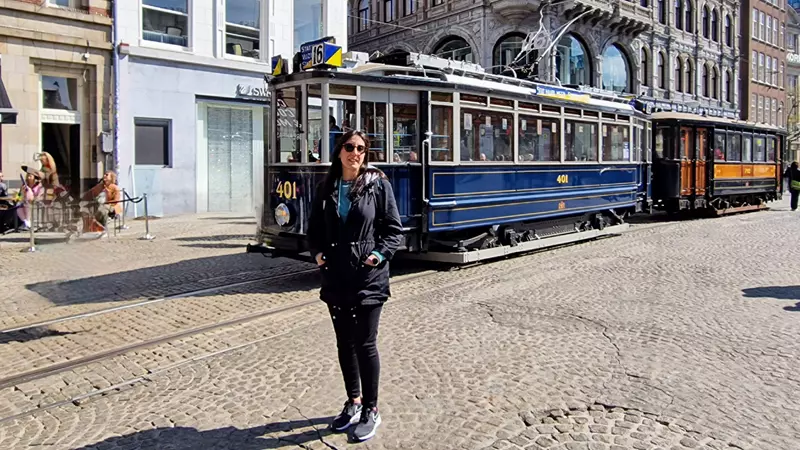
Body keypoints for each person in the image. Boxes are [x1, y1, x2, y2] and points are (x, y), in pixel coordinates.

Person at [307, 130, 403, 442]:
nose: (355, 153)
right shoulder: (327, 187)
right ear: (339, 152)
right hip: (336, 276)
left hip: (367, 278)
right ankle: (353, 401)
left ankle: (371, 410)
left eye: (361, 149)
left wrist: (377, 256)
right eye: (349, 147)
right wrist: (318, 253)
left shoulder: (377, 184)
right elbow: (315, 229)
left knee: (364, 343)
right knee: (344, 344)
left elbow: (393, 230)